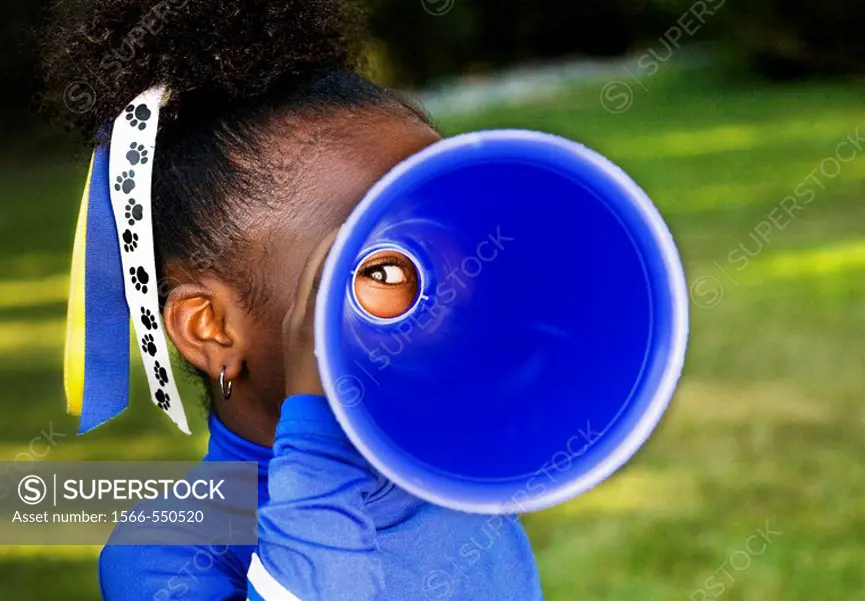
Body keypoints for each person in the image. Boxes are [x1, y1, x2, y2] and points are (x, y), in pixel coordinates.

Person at [43, 0, 544, 599]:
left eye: (449, 242)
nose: (453, 294)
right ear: (211, 330)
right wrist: (321, 440)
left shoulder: (454, 465)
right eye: (384, 270)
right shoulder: (165, 551)